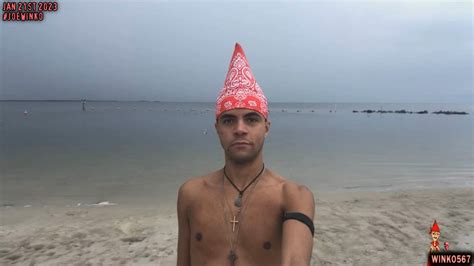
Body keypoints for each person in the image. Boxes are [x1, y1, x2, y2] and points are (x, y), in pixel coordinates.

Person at [177, 43, 315, 266]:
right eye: (229, 120)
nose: (240, 129)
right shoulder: (190, 194)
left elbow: (295, 261)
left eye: (251, 119)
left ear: (266, 127)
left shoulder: (292, 196)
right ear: (217, 129)